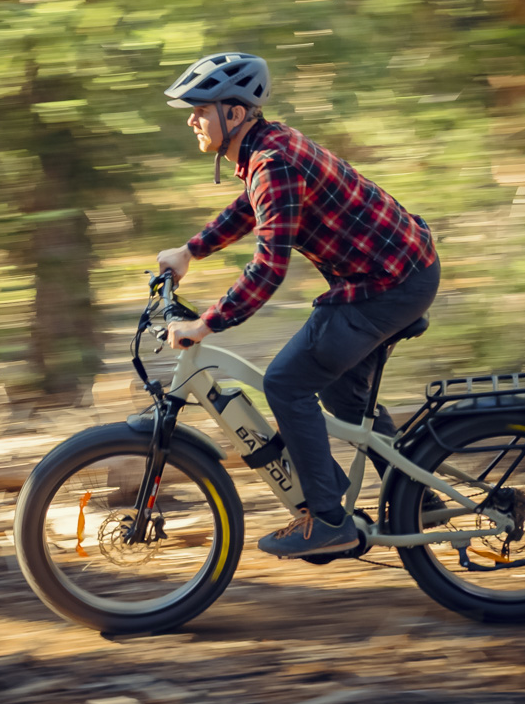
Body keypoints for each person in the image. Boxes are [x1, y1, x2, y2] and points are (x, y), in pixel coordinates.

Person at [155, 52, 440, 559]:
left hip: (389, 284)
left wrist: (207, 324)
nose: (191, 118)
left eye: (200, 108)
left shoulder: (274, 161)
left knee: (287, 382)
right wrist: (190, 251)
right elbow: (252, 208)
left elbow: (269, 267)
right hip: (399, 271)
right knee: (344, 400)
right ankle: (423, 500)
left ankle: (329, 520)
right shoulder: (268, 148)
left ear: (235, 114)